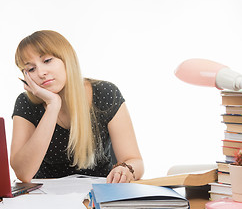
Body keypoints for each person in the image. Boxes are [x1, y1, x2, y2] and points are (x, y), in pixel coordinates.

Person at [10, 30, 144, 183]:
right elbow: (23, 173)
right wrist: (53, 106)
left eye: (47, 60)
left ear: (67, 58)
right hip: (47, 199)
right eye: (31, 69)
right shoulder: (26, 103)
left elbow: (135, 161)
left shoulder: (105, 93)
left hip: (100, 194)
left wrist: (126, 169)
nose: (41, 73)